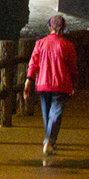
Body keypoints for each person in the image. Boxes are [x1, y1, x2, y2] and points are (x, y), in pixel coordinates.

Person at [23, 14, 77, 156]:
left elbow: (33, 63)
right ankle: (49, 140)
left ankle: (49, 140)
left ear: (49, 26)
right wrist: (74, 83)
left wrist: (28, 80)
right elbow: (73, 68)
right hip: (61, 84)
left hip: (43, 84)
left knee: (47, 114)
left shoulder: (40, 43)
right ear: (63, 28)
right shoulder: (68, 45)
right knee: (56, 114)